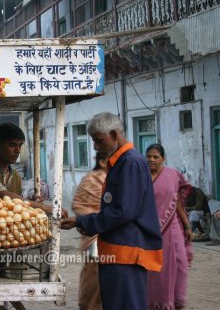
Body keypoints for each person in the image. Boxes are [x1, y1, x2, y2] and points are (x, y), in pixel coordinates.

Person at [61, 112, 162, 310]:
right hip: (115, 250)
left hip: (127, 251)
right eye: (93, 141)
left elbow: (123, 211)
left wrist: (82, 221)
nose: (96, 147)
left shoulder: (130, 161)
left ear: (114, 134)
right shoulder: (120, 161)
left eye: (99, 141)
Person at [145, 143, 193, 310]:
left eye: (155, 157)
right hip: (149, 232)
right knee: (156, 271)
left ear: (163, 159)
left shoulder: (172, 175)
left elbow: (177, 201)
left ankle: (177, 301)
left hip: (172, 229)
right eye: (149, 156)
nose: (151, 160)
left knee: (179, 267)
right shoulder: (141, 177)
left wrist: (187, 225)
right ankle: (158, 304)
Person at [0, 122, 52, 213]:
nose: (18, 150)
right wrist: (42, 206)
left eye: (20, 145)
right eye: (12, 145)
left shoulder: (15, 176)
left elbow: (18, 203)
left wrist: (32, 202)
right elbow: (2, 195)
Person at [71, 151, 108, 310]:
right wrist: (92, 222)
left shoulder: (116, 180)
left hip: (112, 237)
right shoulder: (92, 179)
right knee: (94, 281)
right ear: (102, 162)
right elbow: (78, 205)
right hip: (94, 239)